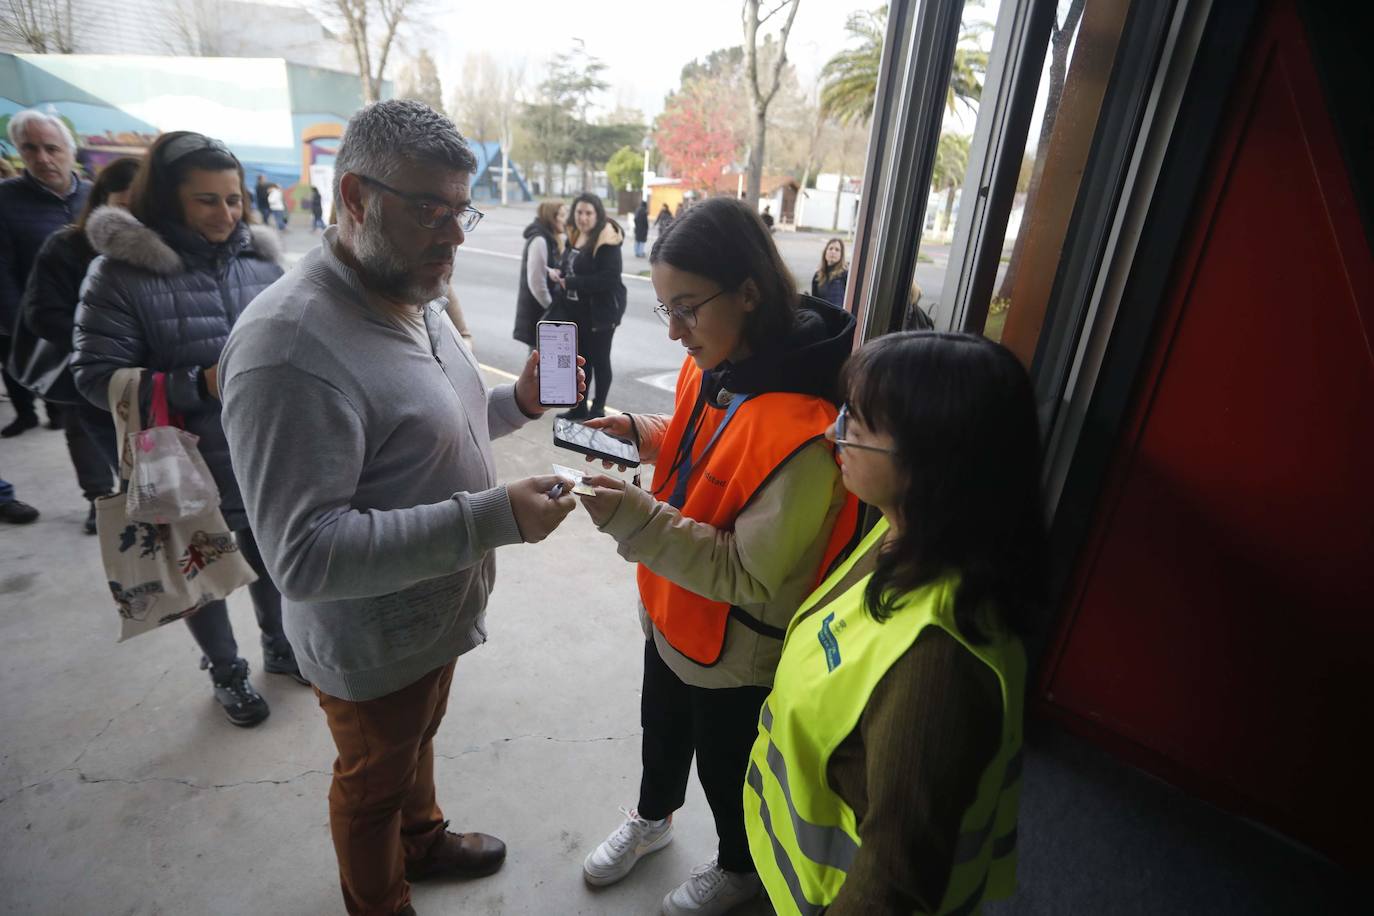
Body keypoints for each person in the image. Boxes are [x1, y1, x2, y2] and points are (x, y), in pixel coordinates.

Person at [218, 99, 584, 916]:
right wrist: (495, 518)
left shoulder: (410, 294)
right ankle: (379, 901)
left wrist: (519, 404)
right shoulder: (289, 347)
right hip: (371, 638)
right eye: (429, 211)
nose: (455, 235)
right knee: (372, 781)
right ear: (354, 198)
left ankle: (422, 839)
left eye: (462, 210)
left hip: (434, 612)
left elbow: (436, 425)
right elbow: (304, 555)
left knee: (416, 742)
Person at [573, 196, 858, 916]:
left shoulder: (810, 434)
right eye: (663, 307)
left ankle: (740, 866)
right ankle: (652, 816)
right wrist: (640, 433)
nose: (673, 332)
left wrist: (633, 519)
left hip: (736, 646)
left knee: (729, 764)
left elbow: (748, 572)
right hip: (671, 605)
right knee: (661, 728)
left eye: (687, 308)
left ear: (749, 293)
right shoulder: (721, 357)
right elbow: (705, 444)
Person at [743, 331, 1044, 916]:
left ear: (930, 463)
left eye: (857, 426)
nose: (837, 434)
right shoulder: (901, 533)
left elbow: (892, 889)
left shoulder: (938, 668)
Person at [71, 131, 304, 728]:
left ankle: (280, 648)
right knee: (202, 570)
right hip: (183, 459)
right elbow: (93, 376)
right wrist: (195, 384)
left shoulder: (262, 263)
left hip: (263, 449)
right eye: (207, 200)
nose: (225, 214)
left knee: (270, 557)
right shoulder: (118, 276)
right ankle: (227, 670)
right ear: (167, 200)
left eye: (233, 200)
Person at [19, 156, 140, 534]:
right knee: (114, 458)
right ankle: (99, 499)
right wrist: (101, 339)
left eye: (143, 207)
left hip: (147, 382)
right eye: (123, 207)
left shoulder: (162, 246)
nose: (133, 219)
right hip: (89, 376)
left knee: (144, 471)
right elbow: (42, 314)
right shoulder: (67, 245)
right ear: (102, 202)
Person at [0, 108, 91, 438]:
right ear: (19, 152)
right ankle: (28, 414)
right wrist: (19, 327)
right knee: (52, 389)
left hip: (93, 318)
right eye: (30, 148)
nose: (42, 158)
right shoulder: (5, 200)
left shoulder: (94, 196)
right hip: (35, 318)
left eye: (52, 148)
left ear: (70, 151)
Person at [550, 192, 626, 419]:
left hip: (601, 312)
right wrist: (560, 273)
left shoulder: (607, 238)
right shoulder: (574, 235)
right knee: (580, 361)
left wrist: (572, 282)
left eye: (589, 213)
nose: (583, 218)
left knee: (600, 360)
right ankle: (578, 408)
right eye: (580, 212)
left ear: (598, 214)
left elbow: (609, 279)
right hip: (576, 310)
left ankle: (598, 409)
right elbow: (570, 265)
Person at [513, 200, 566, 349]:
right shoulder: (540, 241)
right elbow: (537, 283)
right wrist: (552, 310)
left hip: (543, 315)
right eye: (562, 215)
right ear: (551, 217)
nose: (565, 219)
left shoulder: (551, 239)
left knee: (542, 362)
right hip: (539, 315)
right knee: (538, 362)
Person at [810, 237, 849, 310]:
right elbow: (814, 301)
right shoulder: (817, 275)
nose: (833, 251)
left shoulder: (845, 274)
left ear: (841, 255)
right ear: (825, 252)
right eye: (830, 248)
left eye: (837, 250)